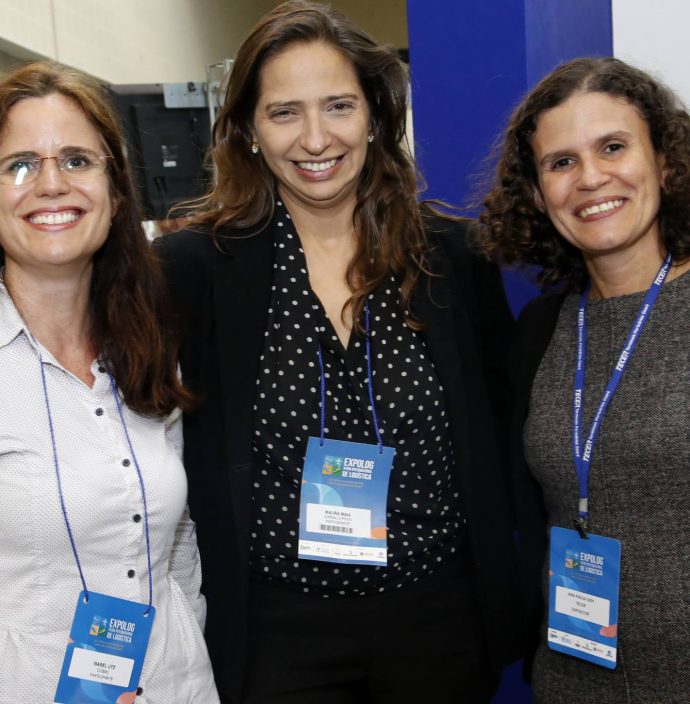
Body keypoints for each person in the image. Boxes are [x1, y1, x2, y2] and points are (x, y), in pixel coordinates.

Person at [155, 1, 521, 702]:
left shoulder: (450, 258)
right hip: (278, 632)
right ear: (248, 130)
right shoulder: (194, 269)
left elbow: (501, 424)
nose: (315, 137)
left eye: (339, 106)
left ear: (377, 118)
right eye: (284, 111)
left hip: (438, 618)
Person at [0, 61, 219, 703]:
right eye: (18, 164)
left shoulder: (148, 347)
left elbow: (179, 555)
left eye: (76, 160)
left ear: (117, 190)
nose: (49, 184)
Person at [480, 56, 690, 703]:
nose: (590, 177)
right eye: (561, 162)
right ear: (538, 193)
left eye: (614, 146)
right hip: (575, 676)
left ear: (664, 160)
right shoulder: (543, 330)